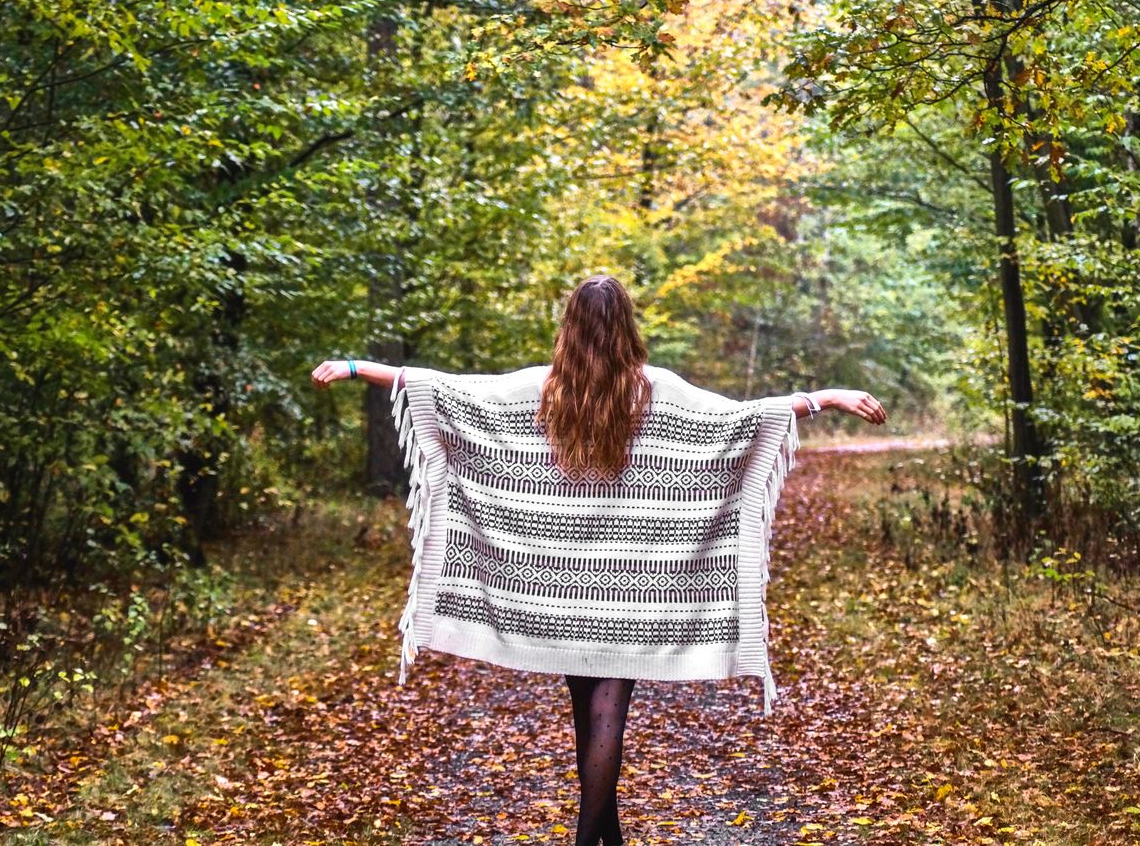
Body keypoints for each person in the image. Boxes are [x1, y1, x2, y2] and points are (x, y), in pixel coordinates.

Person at [311, 274, 885, 845]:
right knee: (608, 714)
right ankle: (593, 838)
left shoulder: (542, 389)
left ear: (572, 327)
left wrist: (357, 368)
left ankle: (599, 837)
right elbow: (742, 418)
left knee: (588, 713)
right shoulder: (658, 391)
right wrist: (825, 398)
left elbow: (447, 390)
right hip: (631, 595)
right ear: (626, 327)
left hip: (557, 593)